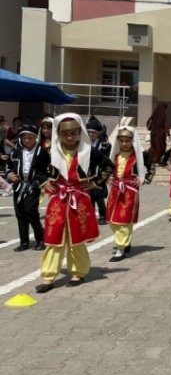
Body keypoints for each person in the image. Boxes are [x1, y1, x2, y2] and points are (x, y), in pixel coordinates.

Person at [35, 113, 113, 293]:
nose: (69, 138)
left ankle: (78, 272)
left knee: (76, 238)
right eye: (64, 134)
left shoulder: (89, 151)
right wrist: (45, 181)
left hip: (79, 199)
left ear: (80, 132)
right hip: (58, 200)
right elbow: (36, 169)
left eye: (73, 133)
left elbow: (108, 166)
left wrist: (94, 183)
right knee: (53, 238)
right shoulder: (49, 151)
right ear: (58, 134)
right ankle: (48, 276)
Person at [107, 126, 155, 262]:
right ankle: (125, 242)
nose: (124, 143)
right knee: (111, 219)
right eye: (121, 141)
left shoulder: (140, 156)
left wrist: (144, 179)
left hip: (130, 192)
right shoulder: (115, 155)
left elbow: (151, 167)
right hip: (115, 191)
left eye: (127, 141)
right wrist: (108, 177)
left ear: (132, 141)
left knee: (124, 220)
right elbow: (107, 168)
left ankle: (120, 249)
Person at [6, 122, 49, 251]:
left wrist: (41, 181)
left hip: (33, 186)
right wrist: (9, 174)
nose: (27, 140)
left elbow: (46, 170)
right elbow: (9, 165)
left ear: (36, 137)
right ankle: (24, 242)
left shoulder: (42, 152)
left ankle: (40, 239)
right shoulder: (17, 151)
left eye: (30, 138)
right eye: (24, 138)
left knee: (31, 212)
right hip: (19, 186)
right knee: (20, 213)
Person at [86, 116, 111, 225]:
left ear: (99, 133)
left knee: (99, 197)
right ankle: (90, 216)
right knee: (89, 196)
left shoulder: (105, 145)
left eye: (94, 132)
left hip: (100, 174)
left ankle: (102, 215)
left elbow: (106, 161)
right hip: (88, 174)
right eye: (89, 132)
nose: (91, 134)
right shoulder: (84, 144)